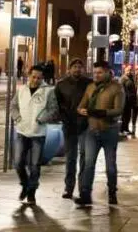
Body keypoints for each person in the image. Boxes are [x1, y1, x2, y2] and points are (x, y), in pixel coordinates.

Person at [75, 60, 124, 207]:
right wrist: (82, 110)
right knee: (88, 164)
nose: (96, 75)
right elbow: (81, 106)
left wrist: (99, 112)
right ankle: (85, 194)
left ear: (108, 72)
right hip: (92, 131)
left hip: (109, 131)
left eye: (100, 72)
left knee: (110, 165)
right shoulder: (90, 88)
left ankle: (112, 193)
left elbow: (118, 110)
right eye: (95, 72)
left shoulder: (117, 88)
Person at [10, 64, 58, 206]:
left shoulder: (48, 91)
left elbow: (53, 110)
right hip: (22, 131)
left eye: (39, 78)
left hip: (38, 132)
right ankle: (25, 184)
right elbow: (13, 106)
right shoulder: (22, 90)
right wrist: (17, 117)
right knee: (18, 163)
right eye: (33, 77)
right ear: (28, 75)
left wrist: (41, 119)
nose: (36, 80)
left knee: (35, 165)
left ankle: (31, 192)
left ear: (43, 78)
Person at [54, 59, 91, 199]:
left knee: (84, 157)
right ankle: (69, 188)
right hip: (69, 126)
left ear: (83, 69)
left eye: (80, 67)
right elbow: (56, 104)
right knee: (70, 158)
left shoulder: (89, 84)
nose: (77, 69)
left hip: (85, 126)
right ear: (69, 69)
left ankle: (83, 188)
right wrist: (63, 117)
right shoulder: (61, 85)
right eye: (74, 67)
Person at [119, 67, 136, 136]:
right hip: (125, 99)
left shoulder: (131, 78)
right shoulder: (123, 79)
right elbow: (121, 90)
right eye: (128, 70)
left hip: (130, 100)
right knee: (123, 116)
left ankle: (126, 128)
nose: (129, 72)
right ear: (124, 71)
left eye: (130, 70)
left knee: (128, 115)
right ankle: (122, 129)